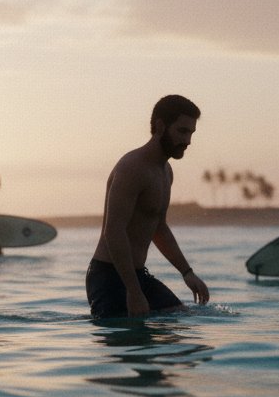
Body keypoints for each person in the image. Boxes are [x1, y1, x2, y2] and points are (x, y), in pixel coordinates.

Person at [86, 95, 210, 318]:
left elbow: (158, 228)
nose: (189, 140)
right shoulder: (132, 168)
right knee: (133, 340)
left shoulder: (165, 172)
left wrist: (187, 272)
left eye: (191, 133)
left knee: (183, 320)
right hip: (109, 277)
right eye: (182, 131)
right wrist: (133, 292)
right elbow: (114, 231)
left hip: (137, 275)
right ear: (161, 126)